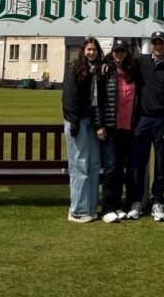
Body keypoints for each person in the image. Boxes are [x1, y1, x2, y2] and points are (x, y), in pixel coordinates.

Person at [130, 29, 164, 221]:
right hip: (142, 119)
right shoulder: (141, 62)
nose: (158, 46)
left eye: (161, 43)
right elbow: (120, 62)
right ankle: (136, 201)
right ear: (151, 45)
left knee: (161, 163)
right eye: (155, 43)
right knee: (138, 162)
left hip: (162, 120)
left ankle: (158, 200)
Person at [61, 37, 105, 223]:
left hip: (92, 122)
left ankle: (91, 207)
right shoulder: (74, 69)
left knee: (94, 165)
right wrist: (74, 122)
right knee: (79, 165)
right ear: (83, 50)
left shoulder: (98, 70)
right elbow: (69, 97)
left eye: (94, 49)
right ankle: (77, 210)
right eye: (88, 49)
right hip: (77, 121)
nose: (91, 53)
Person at [98, 38, 140, 223]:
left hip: (129, 127)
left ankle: (121, 206)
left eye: (122, 51)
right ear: (112, 51)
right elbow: (97, 100)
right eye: (116, 51)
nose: (119, 54)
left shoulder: (132, 71)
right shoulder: (105, 71)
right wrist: (99, 124)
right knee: (112, 168)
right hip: (111, 127)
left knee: (128, 168)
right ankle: (108, 207)